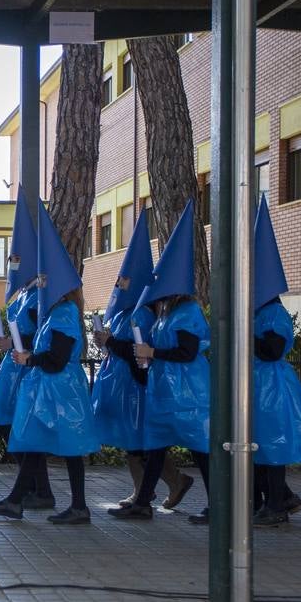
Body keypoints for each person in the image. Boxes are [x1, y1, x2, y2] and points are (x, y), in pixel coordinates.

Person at [0, 202, 98, 524]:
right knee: (35, 441)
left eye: (47, 279)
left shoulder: (63, 314)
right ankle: (19, 501)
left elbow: (58, 357)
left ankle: (74, 506)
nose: (41, 283)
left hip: (60, 389)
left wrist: (29, 357)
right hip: (51, 388)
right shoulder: (56, 313)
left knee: (68, 447)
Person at [109, 201, 211, 522]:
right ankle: (142, 503)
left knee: (201, 449)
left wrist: (152, 354)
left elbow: (188, 352)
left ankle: (219, 505)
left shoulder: (188, 313)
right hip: (166, 392)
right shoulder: (167, 314)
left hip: (189, 394)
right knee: (155, 447)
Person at [91, 208, 192, 511]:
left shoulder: (144, 314)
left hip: (137, 389)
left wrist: (112, 343)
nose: (119, 284)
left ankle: (157, 489)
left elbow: (139, 350)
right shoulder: (126, 313)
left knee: (141, 446)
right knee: (134, 446)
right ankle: (145, 491)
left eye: (124, 280)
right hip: (124, 389)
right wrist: (107, 342)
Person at [247, 196, 301, 527]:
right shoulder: (260, 311)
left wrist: (244, 334)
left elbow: (272, 349)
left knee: (271, 446)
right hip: (259, 386)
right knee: (259, 447)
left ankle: (276, 505)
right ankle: (278, 499)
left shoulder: (273, 313)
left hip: (270, 388)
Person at [0, 195, 46, 509]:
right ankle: (39, 488)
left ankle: (35, 490)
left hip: (28, 371)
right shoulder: (24, 296)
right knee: (9, 425)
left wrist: (16, 343)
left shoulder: (39, 298)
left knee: (21, 428)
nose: (12, 265)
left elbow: (41, 335)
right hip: (15, 370)